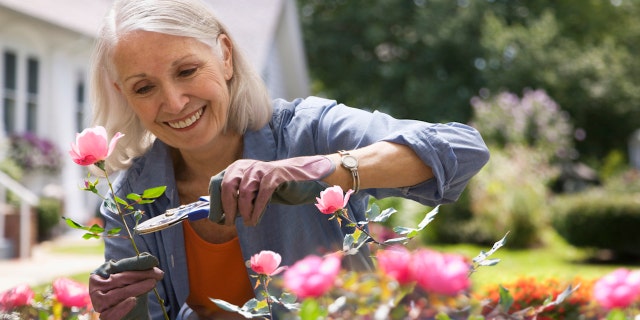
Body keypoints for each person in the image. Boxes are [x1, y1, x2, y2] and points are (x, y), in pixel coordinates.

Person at [86, 0, 490, 319]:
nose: (173, 102)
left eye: (188, 70)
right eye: (144, 88)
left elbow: (461, 149)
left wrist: (318, 170)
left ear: (225, 56)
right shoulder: (131, 200)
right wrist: (127, 312)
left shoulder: (308, 131)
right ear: (124, 95)